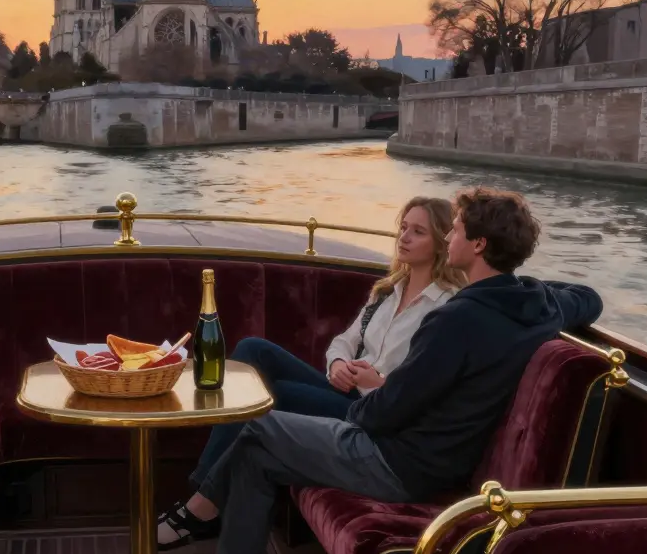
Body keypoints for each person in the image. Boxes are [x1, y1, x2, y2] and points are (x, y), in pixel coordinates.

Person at [156, 187, 603, 554]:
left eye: (458, 228)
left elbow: (387, 412)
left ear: (480, 245)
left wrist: (342, 415)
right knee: (262, 434)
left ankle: (203, 518)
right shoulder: (542, 305)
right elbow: (589, 298)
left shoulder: (455, 320)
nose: (451, 235)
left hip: (400, 462)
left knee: (259, 429)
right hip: (434, 455)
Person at [176, 196, 465, 498]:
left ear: (442, 241)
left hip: (373, 412)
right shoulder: (387, 291)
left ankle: (202, 498)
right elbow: (343, 342)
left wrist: (375, 383)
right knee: (253, 349)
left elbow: (422, 388)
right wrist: (337, 364)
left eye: (418, 232)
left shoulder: (446, 307)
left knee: (273, 395)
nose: (404, 237)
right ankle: (205, 486)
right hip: (346, 388)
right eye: (403, 227)